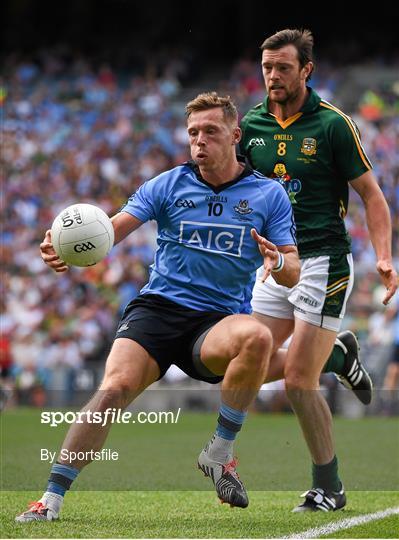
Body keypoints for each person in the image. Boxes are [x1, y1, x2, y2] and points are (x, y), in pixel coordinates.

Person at [16, 92, 300, 522]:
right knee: (111, 389)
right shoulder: (167, 184)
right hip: (158, 310)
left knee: (258, 336)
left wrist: (276, 259)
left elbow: (292, 271)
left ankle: (219, 453)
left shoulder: (268, 195)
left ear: (235, 135)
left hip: (217, 321)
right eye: (193, 133)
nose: (199, 141)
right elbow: (109, 231)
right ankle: (49, 499)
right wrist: (65, 247)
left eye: (210, 132)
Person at [240, 29, 398, 512]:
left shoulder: (332, 125)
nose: (273, 76)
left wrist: (385, 256)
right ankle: (337, 356)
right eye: (267, 67)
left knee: (296, 383)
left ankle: (328, 486)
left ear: (307, 70)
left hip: (324, 261)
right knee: (242, 368)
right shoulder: (251, 125)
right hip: (275, 262)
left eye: (283, 68)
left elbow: (372, 196)